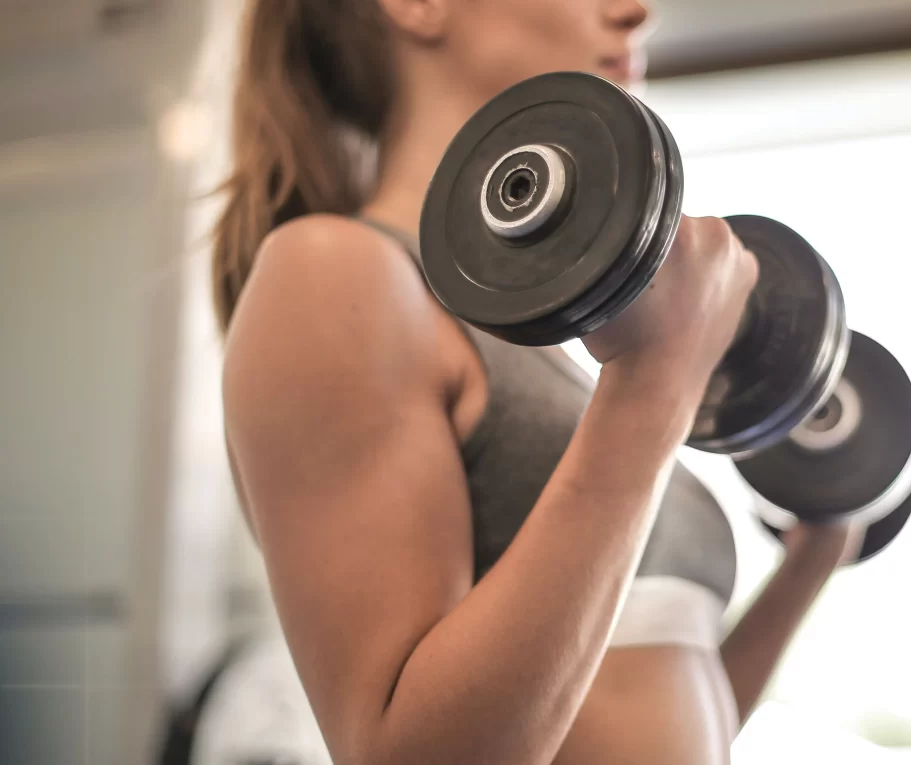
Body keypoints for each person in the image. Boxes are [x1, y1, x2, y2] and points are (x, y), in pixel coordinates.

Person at [211, 1, 862, 763]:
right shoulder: (334, 273)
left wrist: (811, 560)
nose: (635, 10)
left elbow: (663, 703)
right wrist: (656, 385)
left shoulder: (560, 357)